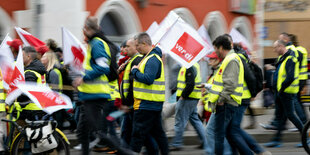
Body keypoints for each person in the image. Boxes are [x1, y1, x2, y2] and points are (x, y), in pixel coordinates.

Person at [73, 17, 132, 155]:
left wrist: (83, 78)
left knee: (96, 132)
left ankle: (124, 152)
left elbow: (102, 67)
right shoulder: (94, 43)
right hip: (89, 95)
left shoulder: (97, 44)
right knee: (82, 131)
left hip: (95, 95)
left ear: (86, 30)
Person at [130, 32, 169, 155]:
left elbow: (148, 79)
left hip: (147, 104)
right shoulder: (150, 57)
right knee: (158, 134)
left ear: (144, 43)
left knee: (138, 136)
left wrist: (135, 71)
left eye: (137, 45)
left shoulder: (152, 59)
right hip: (151, 103)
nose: (136, 48)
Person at [207, 35, 244, 155]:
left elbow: (230, 85)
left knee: (219, 136)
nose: (215, 52)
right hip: (227, 103)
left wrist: (221, 100)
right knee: (228, 134)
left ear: (221, 47)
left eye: (216, 49)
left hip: (226, 103)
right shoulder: (229, 59)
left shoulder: (231, 60)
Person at [264, 40, 304, 147]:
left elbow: (290, 77)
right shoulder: (283, 58)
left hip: (287, 92)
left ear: (281, 46)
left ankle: (306, 138)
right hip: (281, 93)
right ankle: (277, 140)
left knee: (291, 115)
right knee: (281, 117)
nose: (274, 50)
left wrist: (281, 88)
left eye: (275, 48)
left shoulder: (290, 58)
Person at [169, 62, 207, 151]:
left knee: (180, 121)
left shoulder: (189, 66)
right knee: (195, 121)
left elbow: (190, 84)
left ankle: (176, 143)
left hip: (187, 99)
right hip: (191, 98)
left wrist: (183, 96)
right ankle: (206, 142)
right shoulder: (192, 65)